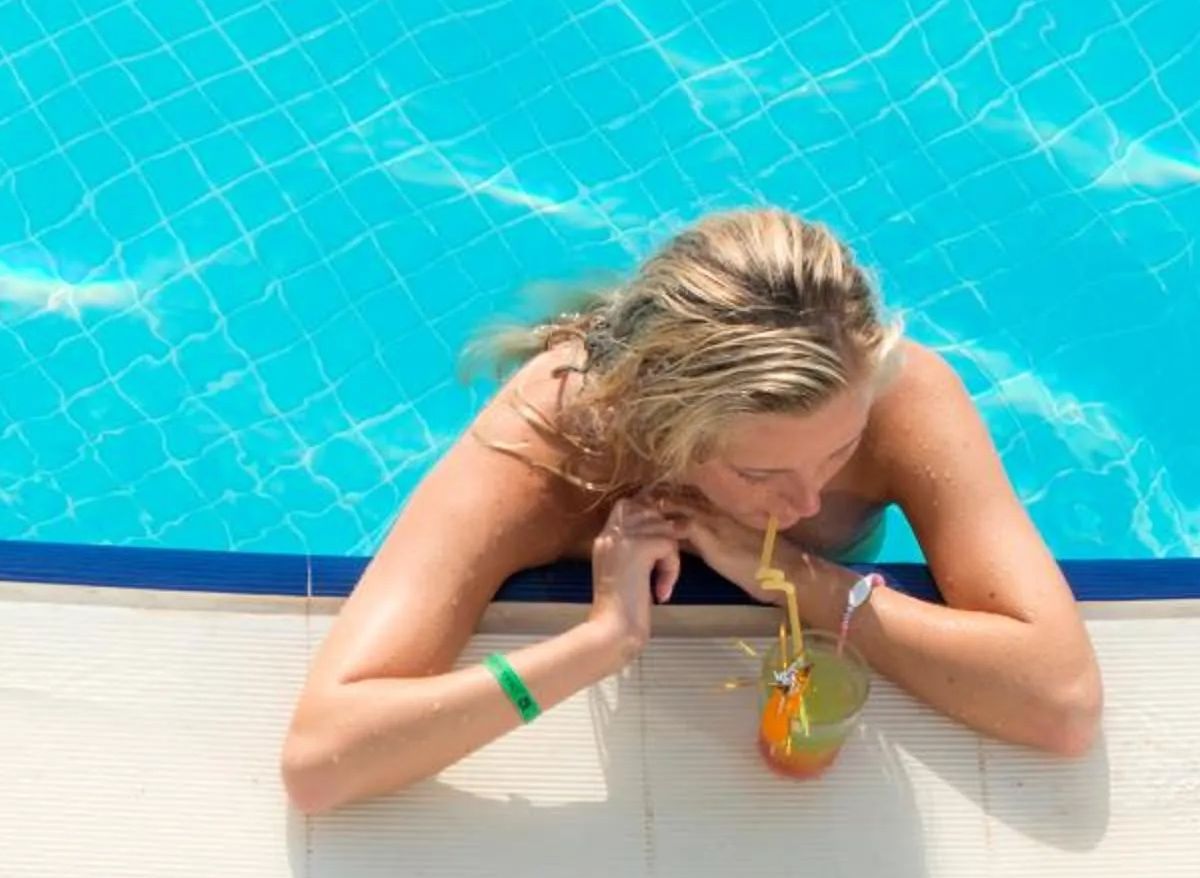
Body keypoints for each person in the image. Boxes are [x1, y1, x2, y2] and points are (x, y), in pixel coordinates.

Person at [279, 207, 1101, 815]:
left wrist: (799, 580)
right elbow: (322, 758)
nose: (809, 499)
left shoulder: (896, 394)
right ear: (662, 430)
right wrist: (599, 644)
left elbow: (1060, 702)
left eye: (839, 453)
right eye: (761, 471)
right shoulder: (552, 447)